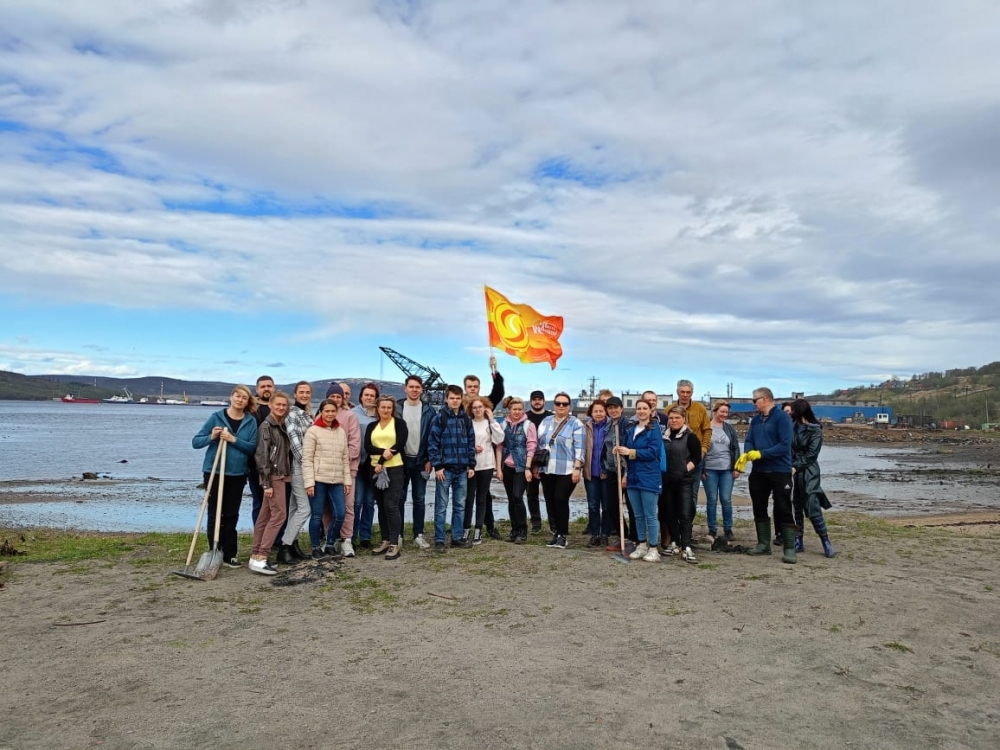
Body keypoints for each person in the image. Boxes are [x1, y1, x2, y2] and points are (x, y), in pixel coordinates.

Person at [191, 385, 259, 568]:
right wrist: (212, 437)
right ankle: (214, 550)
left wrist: (234, 440)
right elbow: (196, 442)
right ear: (231, 397)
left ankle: (230, 553)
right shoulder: (216, 417)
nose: (240, 400)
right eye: (237, 396)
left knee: (231, 514)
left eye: (244, 398)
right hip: (214, 471)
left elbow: (252, 448)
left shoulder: (250, 421)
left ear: (247, 402)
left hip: (237, 473)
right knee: (214, 513)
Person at [738, 387, 796, 563]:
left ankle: (789, 548)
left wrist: (761, 454)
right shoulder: (755, 420)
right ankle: (763, 545)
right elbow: (749, 439)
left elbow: (784, 445)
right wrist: (747, 453)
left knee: (784, 507)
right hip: (759, 472)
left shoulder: (782, 418)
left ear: (764, 399)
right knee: (759, 506)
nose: (753, 403)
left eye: (755, 400)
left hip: (780, 470)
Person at [614, 399, 664, 562]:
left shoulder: (654, 429)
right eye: (639, 408)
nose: (641, 411)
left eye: (645, 408)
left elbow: (653, 452)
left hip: (649, 476)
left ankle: (654, 548)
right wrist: (621, 450)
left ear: (651, 410)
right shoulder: (632, 429)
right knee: (637, 514)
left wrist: (631, 452)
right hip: (633, 476)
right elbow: (627, 452)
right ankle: (641, 544)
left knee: (650, 514)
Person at [427, 385, 476, 552]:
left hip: (462, 469)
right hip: (445, 469)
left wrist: (471, 464)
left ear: (461, 399)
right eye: (452, 398)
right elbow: (432, 443)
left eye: (458, 398)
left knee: (459, 505)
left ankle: (456, 537)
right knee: (441, 506)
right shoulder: (439, 418)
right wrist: (438, 466)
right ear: (446, 399)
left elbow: (471, 443)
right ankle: (439, 539)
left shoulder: (466, 419)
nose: (455, 401)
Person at [302, 398, 351, 561]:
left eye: (333, 411)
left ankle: (330, 544)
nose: (330, 414)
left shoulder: (341, 431)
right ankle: (316, 547)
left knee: (340, 514)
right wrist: (309, 482)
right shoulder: (313, 431)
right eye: (327, 411)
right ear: (321, 412)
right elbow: (307, 458)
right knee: (317, 515)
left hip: (336, 480)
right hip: (318, 480)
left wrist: (347, 480)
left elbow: (345, 457)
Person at [249, 391, 292, 575]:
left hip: (278, 475)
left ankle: (255, 555)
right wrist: (266, 483)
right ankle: (262, 556)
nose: (281, 407)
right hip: (274, 476)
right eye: (278, 404)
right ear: (271, 405)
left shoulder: (280, 425)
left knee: (264, 517)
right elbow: (262, 456)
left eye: (284, 405)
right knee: (279, 515)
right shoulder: (267, 427)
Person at [535, 392, 585, 549]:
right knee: (550, 500)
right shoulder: (546, 421)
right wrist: (536, 465)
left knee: (560, 499)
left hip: (567, 469)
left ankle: (563, 535)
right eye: (558, 403)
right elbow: (538, 444)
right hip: (547, 468)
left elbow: (580, 447)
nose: (561, 406)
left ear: (569, 406)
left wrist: (577, 467)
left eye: (564, 404)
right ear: (554, 405)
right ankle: (556, 533)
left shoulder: (576, 423)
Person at [666, 380, 711, 544]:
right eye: (682, 392)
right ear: (678, 392)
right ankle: (673, 536)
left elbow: (707, 430)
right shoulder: (669, 409)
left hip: (694, 460)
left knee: (690, 499)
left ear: (692, 393)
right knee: (671, 499)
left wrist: (703, 450)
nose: (685, 395)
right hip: (674, 462)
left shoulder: (700, 408)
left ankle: (687, 532)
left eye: (688, 392)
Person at [790, 399, 836, 558]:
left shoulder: (815, 430)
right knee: (796, 504)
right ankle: (798, 539)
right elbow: (788, 448)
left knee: (812, 503)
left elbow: (812, 454)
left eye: (792, 410)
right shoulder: (792, 428)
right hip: (793, 469)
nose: (789, 412)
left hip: (809, 471)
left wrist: (795, 466)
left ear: (799, 411)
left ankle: (825, 540)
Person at [463, 362, 505, 539]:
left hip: (485, 461)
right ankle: (462, 526)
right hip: (465, 461)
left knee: (484, 496)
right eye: (469, 386)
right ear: (465, 388)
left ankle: (488, 526)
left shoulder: (485, 404)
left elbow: (498, 392)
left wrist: (494, 372)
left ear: (479, 387)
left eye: (475, 386)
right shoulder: (459, 405)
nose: (472, 389)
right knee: (464, 495)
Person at [364, 395, 408, 560]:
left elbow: (399, 444)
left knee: (391, 505)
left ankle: (395, 543)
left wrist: (382, 459)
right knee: (381, 506)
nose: (386, 410)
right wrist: (381, 454)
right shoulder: (371, 426)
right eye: (383, 407)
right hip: (374, 470)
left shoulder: (399, 424)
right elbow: (368, 446)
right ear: (377, 408)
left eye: (389, 407)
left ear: (393, 409)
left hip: (394, 468)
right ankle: (385, 539)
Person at [276, 381, 314, 564]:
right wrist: (308, 465)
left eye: (307, 392)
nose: (305, 395)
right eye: (302, 392)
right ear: (295, 394)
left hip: (305, 465)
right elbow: (295, 443)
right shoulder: (292, 414)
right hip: (300, 466)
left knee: (294, 508)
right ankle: (284, 546)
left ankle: (293, 545)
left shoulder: (306, 414)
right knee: (305, 508)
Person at [662, 405, 703, 564]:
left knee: (685, 514)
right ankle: (675, 543)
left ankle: (686, 546)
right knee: (670, 513)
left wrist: (685, 470)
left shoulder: (690, 437)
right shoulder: (664, 436)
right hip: (667, 481)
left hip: (684, 481)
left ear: (683, 419)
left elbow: (697, 457)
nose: (674, 421)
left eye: (677, 418)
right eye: (671, 418)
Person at [325, 384, 360, 558]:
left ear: (343, 398)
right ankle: (329, 539)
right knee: (327, 506)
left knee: (347, 505)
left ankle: (346, 540)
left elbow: (355, 445)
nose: (336, 399)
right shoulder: (321, 415)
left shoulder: (349, 416)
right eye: (332, 396)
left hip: (347, 469)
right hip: (324, 471)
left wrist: (340, 462)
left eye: (339, 396)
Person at [400, 375, 434, 549]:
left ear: (422, 389)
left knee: (419, 498)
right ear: (405, 388)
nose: (414, 390)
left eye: (417, 387)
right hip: (401, 461)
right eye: (411, 387)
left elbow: (433, 437)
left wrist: (430, 459)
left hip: (421, 461)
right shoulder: (398, 408)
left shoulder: (429, 410)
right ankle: (398, 535)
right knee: (400, 498)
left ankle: (418, 534)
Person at [497, 397, 536, 544]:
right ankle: (513, 530)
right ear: (509, 410)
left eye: (520, 409)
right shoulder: (503, 425)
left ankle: (522, 530)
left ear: (523, 410)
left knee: (517, 496)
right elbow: (500, 446)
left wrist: (528, 467)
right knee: (510, 499)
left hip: (521, 467)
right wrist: (498, 468)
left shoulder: (528, 425)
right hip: (507, 466)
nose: (517, 412)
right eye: (515, 409)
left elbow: (531, 446)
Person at [702, 400, 740, 541]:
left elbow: (735, 447)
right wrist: (701, 469)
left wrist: (737, 468)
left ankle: (728, 529)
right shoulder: (706, 427)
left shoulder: (729, 429)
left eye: (726, 412)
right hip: (710, 469)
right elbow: (700, 450)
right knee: (712, 500)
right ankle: (712, 529)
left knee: (726, 499)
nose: (724, 414)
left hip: (726, 470)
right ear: (715, 411)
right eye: (722, 411)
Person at [602, 396, 632, 552]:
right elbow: (605, 449)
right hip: (612, 470)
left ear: (621, 408)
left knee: (632, 506)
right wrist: (604, 468)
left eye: (616, 407)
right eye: (610, 408)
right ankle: (623, 537)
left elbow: (628, 448)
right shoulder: (607, 426)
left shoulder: (626, 425)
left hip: (626, 471)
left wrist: (626, 474)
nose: (613, 410)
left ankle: (634, 540)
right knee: (612, 505)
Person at [351, 383, 379, 549]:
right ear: (361, 396)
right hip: (358, 464)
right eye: (366, 395)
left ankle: (366, 536)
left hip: (374, 465)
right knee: (357, 501)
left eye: (372, 396)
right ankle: (351, 536)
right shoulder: (352, 414)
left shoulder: (379, 415)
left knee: (369, 501)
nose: (369, 398)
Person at [582, 399, 610, 547]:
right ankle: (594, 534)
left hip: (606, 472)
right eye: (595, 411)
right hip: (590, 472)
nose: (598, 413)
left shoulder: (611, 427)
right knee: (593, 505)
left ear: (605, 412)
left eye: (601, 411)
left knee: (606, 506)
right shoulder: (585, 427)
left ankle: (605, 534)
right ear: (591, 413)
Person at [248, 375, 274, 525]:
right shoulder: (252, 410)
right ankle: (259, 537)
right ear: (257, 389)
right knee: (259, 501)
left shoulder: (279, 407)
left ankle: (274, 538)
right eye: (263, 386)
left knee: (275, 503)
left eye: (269, 386)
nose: (266, 389)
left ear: (273, 388)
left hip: (277, 464)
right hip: (255, 464)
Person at [525, 390, 552, 533]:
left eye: (539, 399)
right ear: (531, 401)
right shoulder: (526, 417)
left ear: (543, 401)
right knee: (531, 494)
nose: (537, 401)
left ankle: (553, 524)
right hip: (530, 460)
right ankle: (536, 523)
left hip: (547, 460)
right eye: (534, 399)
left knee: (550, 494)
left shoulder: (550, 417)